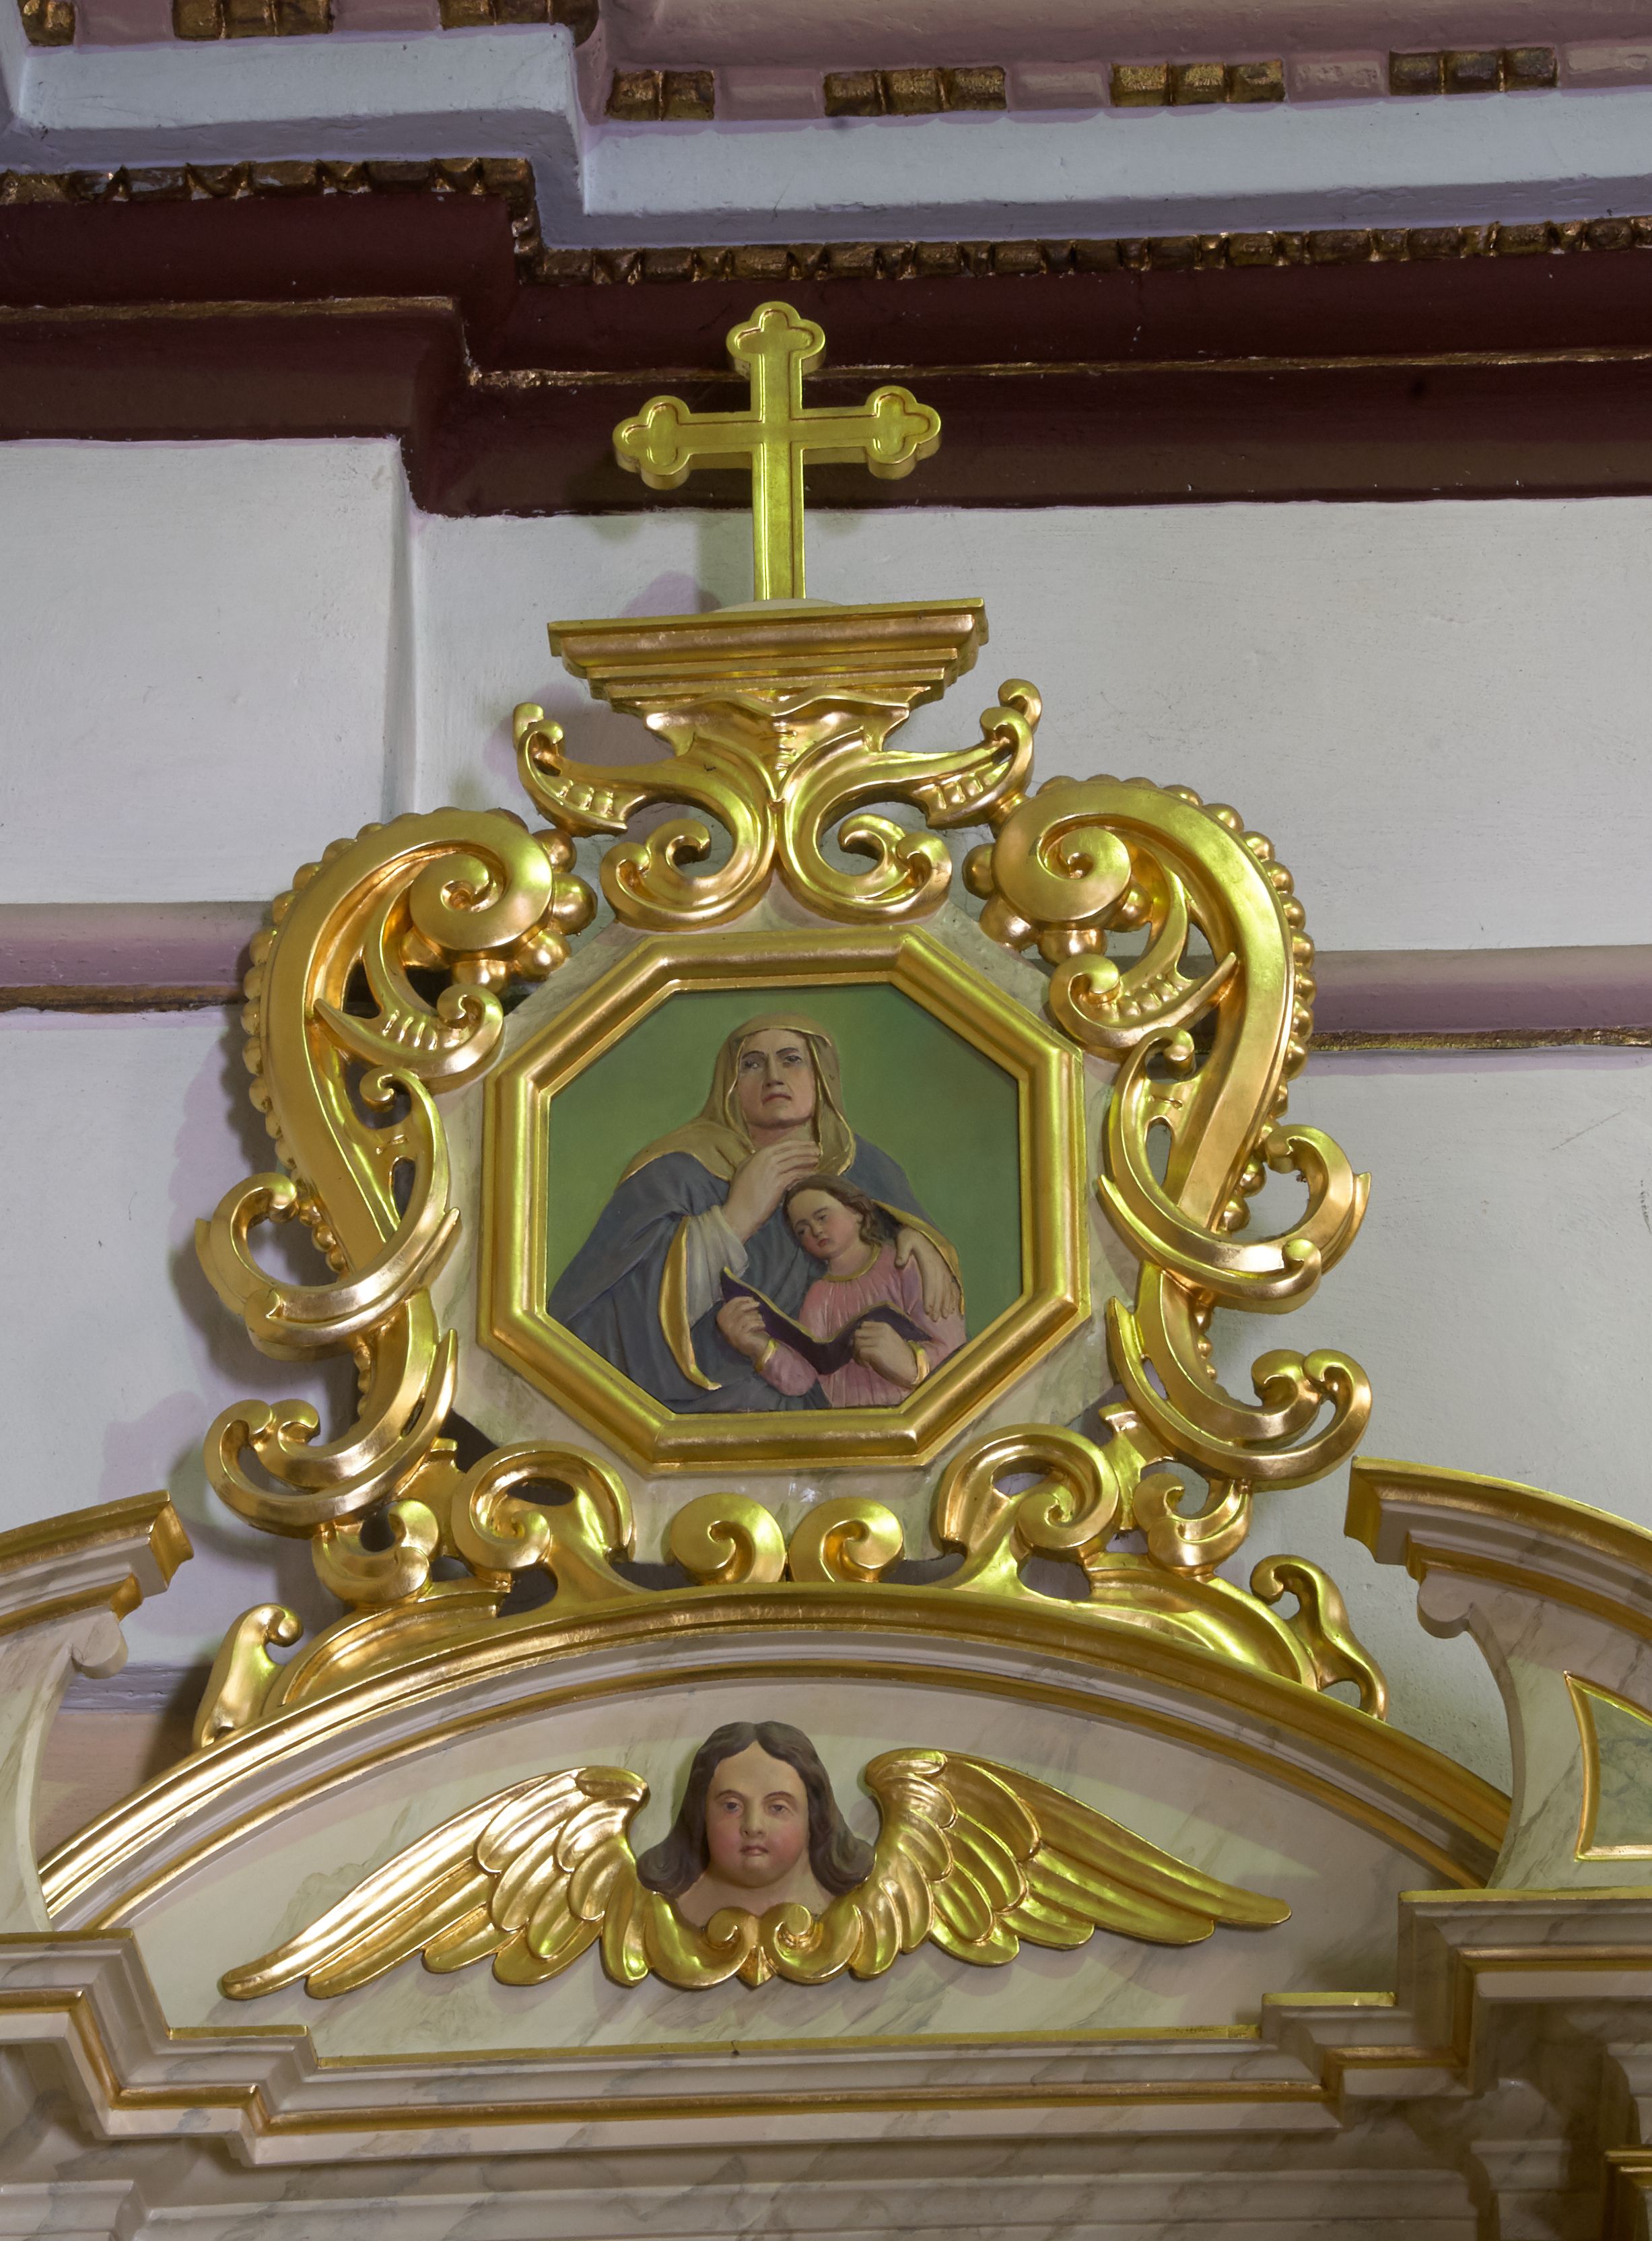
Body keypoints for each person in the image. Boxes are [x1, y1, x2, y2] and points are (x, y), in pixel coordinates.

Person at [549, 1013, 961, 1411]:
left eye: (791, 1059)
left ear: (822, 1075)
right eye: (751, 1064)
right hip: (707, 1411)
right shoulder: (675, 1173)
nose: (773, 1077)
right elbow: (596, 1322)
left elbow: (934, 1324)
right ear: (729, 1085)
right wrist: (733, 1220)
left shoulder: (868, 1168)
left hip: (854, 1405)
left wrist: (917, 1239)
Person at [717, 1174, 965, 1409]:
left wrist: (910, 1364)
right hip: (850, 1421)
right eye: (802, 1230)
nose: (815, 1231)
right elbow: (802, 1377)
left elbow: (952, 1347)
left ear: (856, 1212)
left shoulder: (903, 1265)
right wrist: (756, 1346)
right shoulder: (819, 1295)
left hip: (918, 1413)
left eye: (822, 1217)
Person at [635, 1720, 874, 1926]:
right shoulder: (659, 1915)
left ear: (814, 1816)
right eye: (732, 1806)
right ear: (701, 1814)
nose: (753, 1826)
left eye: (777, 1807)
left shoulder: (858, 1911)